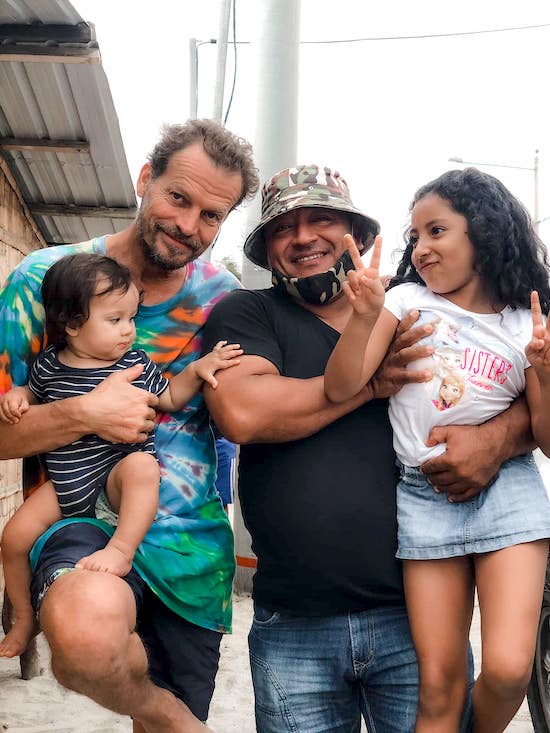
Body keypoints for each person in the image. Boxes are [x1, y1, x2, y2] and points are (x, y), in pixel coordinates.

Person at [201, 164, 534, 733]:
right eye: (285, 227)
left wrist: (494, 439)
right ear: (267, 249)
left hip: (411, 616)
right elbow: (243, 413)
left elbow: (508, 392)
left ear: (356, 234)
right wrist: (373, 385)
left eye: (322, 219)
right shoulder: (248, 312)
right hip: (294, 621)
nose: (304, 237)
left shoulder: (427, 311)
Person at [0, 119, 258, 733]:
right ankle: (172, 716)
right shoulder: (46, 280)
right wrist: (83, 413)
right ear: (146, 180)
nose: (189, 225)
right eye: (178, 198)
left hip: (189, 546)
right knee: (89, 644)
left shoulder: (225, 299)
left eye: (212, 215)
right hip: (77, 517)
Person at [324, 167, 550, 732]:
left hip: (511, 491)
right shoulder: (404, 300)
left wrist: (545, 369)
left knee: (506, 670)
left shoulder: (529, 321)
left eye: (437, 231)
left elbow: (546, 437)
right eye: (415, 236)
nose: (421, 248)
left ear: (484, 233)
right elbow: (341, 386)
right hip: (423, 498)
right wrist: (365, 318)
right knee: (439, 684)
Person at [0, 252, 242, 661]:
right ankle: (24, 618)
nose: (129, 331)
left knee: (144, 466)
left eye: (132, 318)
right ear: (73, 324)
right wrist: (19, 398)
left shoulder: (133, 363)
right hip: (66, 483)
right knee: (12, 538)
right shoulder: (47, 365)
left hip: (114, 476)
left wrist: (198, 370)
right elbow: (32, 393)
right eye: (115, 320)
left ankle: (121, 550)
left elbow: (166, 397)